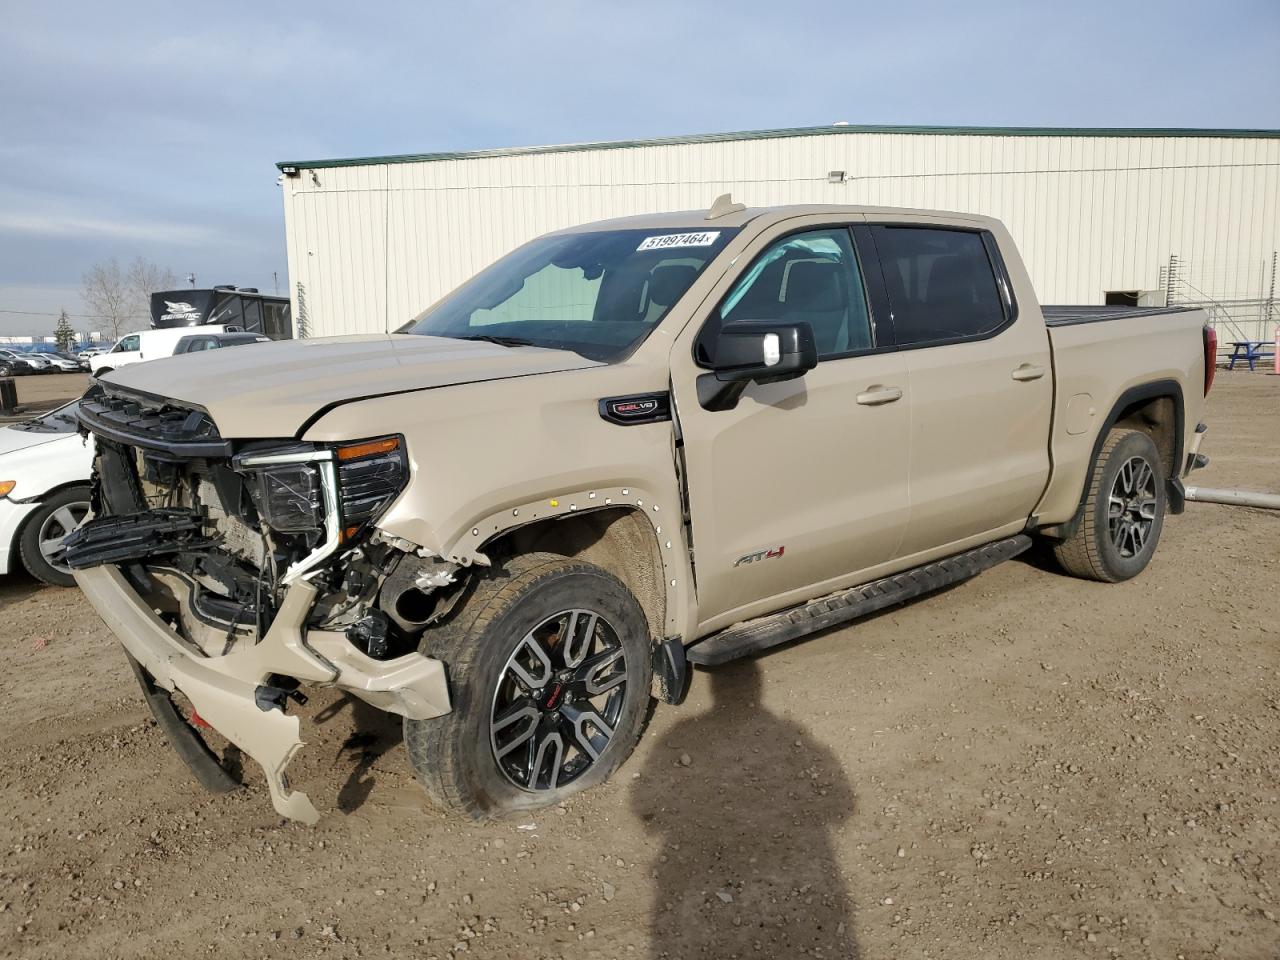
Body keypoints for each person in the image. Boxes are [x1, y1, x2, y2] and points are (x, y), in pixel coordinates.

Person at [632, 659, 860, 958]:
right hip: (783, 878)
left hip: (697, 894)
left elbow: (641, 804)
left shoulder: (682, 732)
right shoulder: (792, 734)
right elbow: (843, 807)